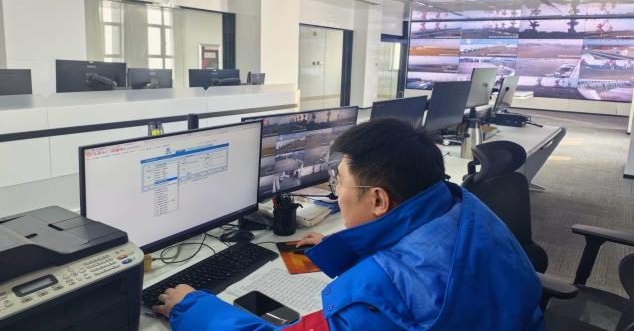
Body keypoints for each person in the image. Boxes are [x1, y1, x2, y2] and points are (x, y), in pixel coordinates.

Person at [153, 119, 545, 330]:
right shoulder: (466, 209)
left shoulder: (369, 301)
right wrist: (341, 247)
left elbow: (392, 292)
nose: (336, 192)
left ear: (378, 200)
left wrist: (192, 307)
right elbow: (418, 256)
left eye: (338, 182)